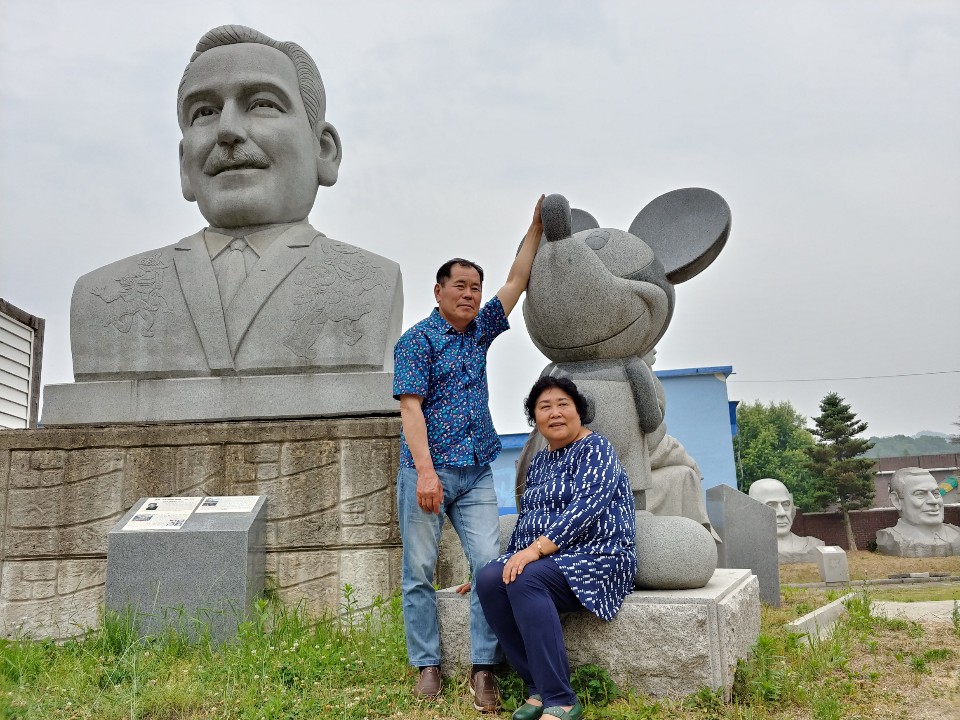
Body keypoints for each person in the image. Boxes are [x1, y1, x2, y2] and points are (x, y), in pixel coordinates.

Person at [70, 25, 402, 379]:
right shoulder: (102, 296)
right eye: (204, 112)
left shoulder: (370, 282)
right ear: (184, 165)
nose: (227, 130)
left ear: (324, 150)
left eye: (262, 104)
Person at [393, 196, 544, 711]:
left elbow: (517, 279)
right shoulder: (416, 341)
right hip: (427, 473)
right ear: (438, 291)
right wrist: (426, 474)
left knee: (488, 568)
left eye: (475, 287)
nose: (469, 294)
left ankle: (484, 669)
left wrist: (535, 229)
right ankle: (427, 665)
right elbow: (410, 409)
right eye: (459, 286)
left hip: (477, 472)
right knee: (419, 571)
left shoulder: (480, 331)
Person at [476, 376, 637, 720]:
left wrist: (534, 552)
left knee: (525, 579)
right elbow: (528, 521)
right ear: (535, 419)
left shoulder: (596, 448)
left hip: (598, 555)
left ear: (579, 411)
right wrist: (505, 560)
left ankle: (562, 699)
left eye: (563, 404)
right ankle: (537, 687)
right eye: (545, 407)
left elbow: (586, 507)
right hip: (553, 559)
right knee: (490, 579)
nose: (555, 413)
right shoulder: (539, 461)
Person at [876, 468, 960, 557]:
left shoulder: (956, 533)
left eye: (936, 493)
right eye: (920, 494)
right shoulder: (889, 539)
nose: (933, 501)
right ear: (896, 501)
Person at [748, 478, 825, 564]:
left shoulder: (813, 545)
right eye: (771, 505)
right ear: (753, 511)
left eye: (785, 504)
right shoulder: (746, 549)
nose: (782, 513)